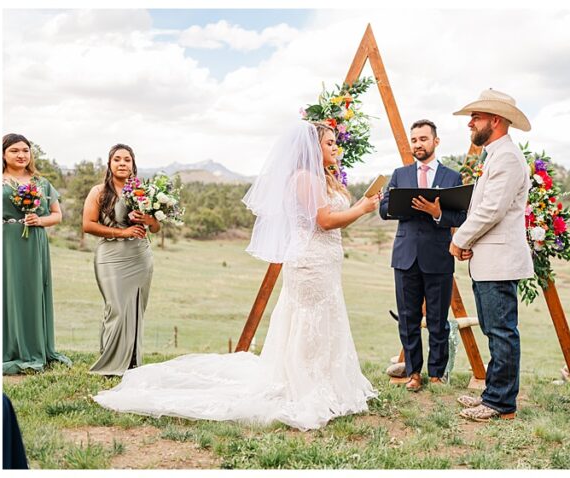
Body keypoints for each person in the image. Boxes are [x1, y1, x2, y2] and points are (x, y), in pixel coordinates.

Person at [94, 121, 380, 431]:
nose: (334, 148)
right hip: (311, 262)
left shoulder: (322, 178)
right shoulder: (303, 179)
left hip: (325, 261)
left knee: (324, 319)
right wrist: (363, 208)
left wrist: (360, 205)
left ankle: (326, 380)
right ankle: (307, 385)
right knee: (309, 322)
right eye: (328, 143)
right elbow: (324, 221)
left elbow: (335, 222)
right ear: (312, 149)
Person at [449, 89, 534, 422]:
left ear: (495, 121)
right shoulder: (494, 156)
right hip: (488, 260)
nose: (470, 123)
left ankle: (501, 403)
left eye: (477, 117)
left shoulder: (508, 158)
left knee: (502, 332)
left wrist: (461, 240)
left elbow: (491, 210)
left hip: (499, 261)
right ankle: (493, 394)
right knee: (493, 329)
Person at [379, 119, 467, 392]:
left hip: (438, 256)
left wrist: (435, 212)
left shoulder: (452, 178)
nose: (418, 144)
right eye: (414, 140)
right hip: (405, 256)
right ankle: (414, 372)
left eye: (423, 139)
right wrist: (406, 206)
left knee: (438, 319)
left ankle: (438, 373)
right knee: (408, 318)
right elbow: (384, 210)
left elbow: (460, 216)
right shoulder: (400, 174)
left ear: (435, 142)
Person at [82, 144, 157, 376]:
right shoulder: (99, 192)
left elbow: (156, 227)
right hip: (110, 256)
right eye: (117, 159)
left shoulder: (144, 192)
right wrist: (123, 233)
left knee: (135, 307)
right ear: (110, 164)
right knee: (115, 307)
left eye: (127, 159)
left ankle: (132, 362)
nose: (122, 163)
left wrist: (148, 219)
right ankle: (110, 362)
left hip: (140, 255)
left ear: (133, 164)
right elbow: (88, 225)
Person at [2, 133, 72, 374]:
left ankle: (34, 348)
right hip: (4, 242)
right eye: (14, 150)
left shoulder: (41, 183)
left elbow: (57, 215)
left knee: (32, 292)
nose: (21, 155)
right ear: (3, 154)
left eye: (25, 150)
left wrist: (39, 219)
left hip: (34, 243)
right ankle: (7, 347)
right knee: (6, 291)